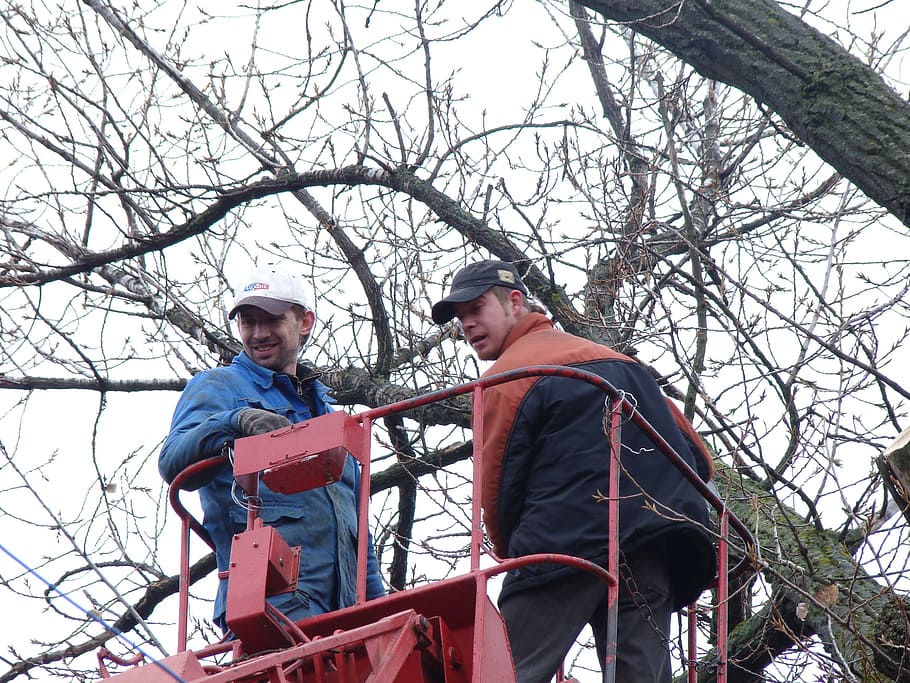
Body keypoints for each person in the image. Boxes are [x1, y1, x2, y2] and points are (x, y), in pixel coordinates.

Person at [431, 260, 715, 683]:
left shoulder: (510, 375)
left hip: (561, 543)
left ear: (515, 302)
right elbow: (698, 456)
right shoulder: (621, 364)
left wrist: (516, 556)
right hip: (653, 548)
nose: (467, 325)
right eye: (460, 318)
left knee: (506, 672)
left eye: (476, 309)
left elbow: (496, 486)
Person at [160, 263, 385, 633]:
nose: (259, 333)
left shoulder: (330, 419)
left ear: (304, 322)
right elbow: (172, 463)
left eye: (271, 320)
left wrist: (381, 616)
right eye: (248, 322)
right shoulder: (220, 387)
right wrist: (235, 422)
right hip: (271, 608)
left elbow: (360, 541)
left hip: (344, 618)